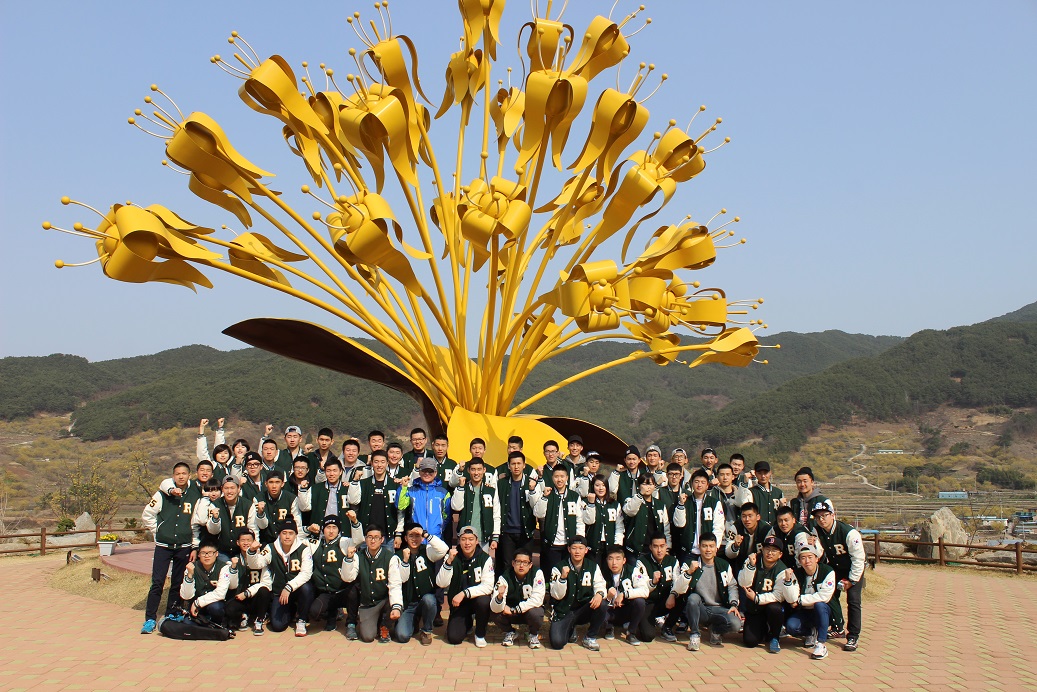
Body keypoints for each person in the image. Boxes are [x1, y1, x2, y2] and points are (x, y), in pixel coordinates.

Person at [140, 462, 201, 634]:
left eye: (184, 473)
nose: (181, 476)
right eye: (177, 474)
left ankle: (171, 613)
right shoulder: (162, 493)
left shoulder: (194, 494)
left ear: (189, 475)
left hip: (184, 546)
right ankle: (150, 618)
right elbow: (148, 514)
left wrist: (194, 545)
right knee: (157, 582)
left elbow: (195, 523)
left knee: (177, 582)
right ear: (173, 476)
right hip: (163, 546)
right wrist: (158, 531)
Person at [810, 501, 866, 651]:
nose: (822, 519)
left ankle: (853, 635)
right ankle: (837, 627)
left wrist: (852, 580)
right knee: (829, 595)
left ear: (832, 515)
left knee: (853, 600)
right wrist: (813, 544)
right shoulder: (817, 531)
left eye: (825, 515)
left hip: (853, 568)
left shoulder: (848, 532)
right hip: (835, 569)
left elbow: (858, 558)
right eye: (818, 517)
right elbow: (820, 553)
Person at [669, 534, 741, 651]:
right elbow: (678, 587)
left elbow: (732, 586)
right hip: (700, 609)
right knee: (693, 598)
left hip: (719, 608)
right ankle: (695, 635)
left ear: (716, 548)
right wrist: (689, 572)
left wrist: (734, 604)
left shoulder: (723, 565)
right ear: (699, 547)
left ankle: (716, 630)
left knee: (736, 624)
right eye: (704, 546)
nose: (708, 550)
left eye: (711, 546)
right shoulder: (691, 564)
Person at [245, 518, 316, 637]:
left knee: (307, 588)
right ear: (279, 534)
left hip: (296, 590)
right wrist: (252, 551)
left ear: (295, 535)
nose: (287, 537)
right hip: (279, 593)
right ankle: (292, 610)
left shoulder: (304, 549)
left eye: (291, 533)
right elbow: (256, 564)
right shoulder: (271, 548)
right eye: (284, 533)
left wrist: (289, 587)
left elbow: (306, 573)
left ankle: (301, 620)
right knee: (277, 626)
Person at [341, 524, 406, 643]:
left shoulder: (390, 557)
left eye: (376, 537)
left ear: (382, 540)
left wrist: (396, 606)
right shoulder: (358, 556)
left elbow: (395, 584)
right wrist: (348, 559)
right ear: (365, 539)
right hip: (368, 603)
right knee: (367, 637)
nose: (373, 540)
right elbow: (347, 578)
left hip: (384, 600)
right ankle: (372, 622)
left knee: (394, 603)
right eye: (369, 537)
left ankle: (385, 626)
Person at [436, 525, 495, 646]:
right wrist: (448, 563)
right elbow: (441, 583)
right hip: (459, 605)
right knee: (454, 638)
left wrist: (464, 593)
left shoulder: (485, 559)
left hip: (476, 600)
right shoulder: (452, 557)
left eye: (470, 539)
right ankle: (467, 623)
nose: (467, 543)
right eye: (463, 539)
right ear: (459, 541)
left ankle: (480, 634)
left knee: (484, 600)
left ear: (476, 541)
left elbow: (488, 587)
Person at [738, 536, 798, 653]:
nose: (770, 553)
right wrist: (751, 566)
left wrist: (757, 598)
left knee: (774, 608)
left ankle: (775, 636)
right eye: (767, 549)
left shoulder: (782, 570)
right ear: (762, 549)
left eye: (774, 550)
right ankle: (763, 630)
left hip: (770, 608)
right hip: (754, 610)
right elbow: (743, 583)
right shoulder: (752, 559)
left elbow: (778, 596)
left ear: (780, 554)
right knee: (750, 641)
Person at [548, 536, 608, 651]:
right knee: (557, 643)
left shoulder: (593, 566)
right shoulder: (558, 568)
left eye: (581, 548)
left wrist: (599, 594)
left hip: (583, 610)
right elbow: (556, 595)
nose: (577, 551)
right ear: (569, 549)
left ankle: (590, 637)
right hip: (564, 611)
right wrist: (563, 578)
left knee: (602, 604)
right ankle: (570, 628)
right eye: (574, 548)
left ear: (586, 550)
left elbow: (600, 584)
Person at [307, 513, 364, 633]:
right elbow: (296, 540)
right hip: (327, 592)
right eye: (328, 527)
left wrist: (354, 521)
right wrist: (307, 529)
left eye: (334, 527)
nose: (331, 531)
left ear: (339, 530)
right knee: (314, 612)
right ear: (323, 530)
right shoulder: (316, 544)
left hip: (344, 591)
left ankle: (351, 623)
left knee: (354, 592)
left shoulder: (344, 542)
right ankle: (331, 615)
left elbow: (358, 539)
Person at [395, 521, 449, 645]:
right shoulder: (398, 556)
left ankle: (426, 630)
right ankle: (414, 621)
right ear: (405, 538)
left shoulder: (428, 551)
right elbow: (402, 579)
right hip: (408, 603)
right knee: (402, 636)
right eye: (411, 536)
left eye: (417, 536)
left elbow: (444, 549)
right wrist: (405, 561)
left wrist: (426, 534)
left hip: (425, 599)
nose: (414, 539)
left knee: (430, 600)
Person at [532, 465, 587, 577]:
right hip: (552, 544)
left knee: (569, 575)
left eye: (562, 476)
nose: (559, 479)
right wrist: (544, 497)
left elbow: (579, 520)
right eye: (556, 476)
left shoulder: (574, 496)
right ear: (552, 478)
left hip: (569, 544)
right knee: (554, 574)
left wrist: (579, 540)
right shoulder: (548, 494)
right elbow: (538, 513)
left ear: (567, 478)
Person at [785, 544, 836, 660]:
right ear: (799, 561)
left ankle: (821, 644)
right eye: (803, 558)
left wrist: (800, 600)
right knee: (791, 627)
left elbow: (824, 596)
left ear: (817, 558)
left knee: (819, 605)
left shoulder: (828, 571)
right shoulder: (796, 573)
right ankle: (810, 632)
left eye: (810, 557)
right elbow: (792, 597)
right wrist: (788, 582)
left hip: (823, 611)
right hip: (804, 611)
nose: (807, 561)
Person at [490, 547, 546, 649]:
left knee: (537, 613)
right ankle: (510, 632)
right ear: (513, 563)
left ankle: (533, 634)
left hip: (527, 611)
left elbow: (538, 599)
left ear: (530, 565)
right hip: (510, 613)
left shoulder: (537, 574)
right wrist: (500, 597)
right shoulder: (505, 577)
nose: (521, 565)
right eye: (518, 562)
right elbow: (494, 606)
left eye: (525, 562)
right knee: (495, 610)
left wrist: (515, 610)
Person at [494, 451, 539, 576]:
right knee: (508, 565)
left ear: (524, 465)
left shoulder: (531, 484)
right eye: (513, 464)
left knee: (526, 564)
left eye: (519, 463)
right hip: (507, 531)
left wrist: (532, 490)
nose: (516, 466)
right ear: (508, 466)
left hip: (526, 531)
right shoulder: (501, 483)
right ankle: (509, 592)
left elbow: (536, 505)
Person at [348, 450, 404, 548]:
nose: (379, 465)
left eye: (382, 462)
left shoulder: (395, 484)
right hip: (366, 536)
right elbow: (353, 501)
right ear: (372, 463)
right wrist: (355, 481)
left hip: (388, 537)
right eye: (376, 462)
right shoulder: (363, 483)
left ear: (387, 463)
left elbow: (400, 511)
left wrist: (398, 534)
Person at [225, 528, 273, 635]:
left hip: (256, 598)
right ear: (237, 542)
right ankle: (243, 616)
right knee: (228, 608)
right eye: (243, 540)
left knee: (264, 591)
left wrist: (247, 593)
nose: (246, 543)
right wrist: (233, 568)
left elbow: (267, 583)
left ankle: (259, 620)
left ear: (254, 542)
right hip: (241, 598)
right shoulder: (234, 560)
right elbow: (232, 585)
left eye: (249, 540)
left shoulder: (261, 559)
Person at [672, 469, 725, 561]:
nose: (699, 485)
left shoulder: (714, 503)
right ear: (692, 484)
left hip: (707, 552)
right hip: (688, 551)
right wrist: (681, 504)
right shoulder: (685, 501)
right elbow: (679, 524)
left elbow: (718, 527)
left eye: (703, 482)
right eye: (696, 482)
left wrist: (714, 547)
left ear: (707, 485)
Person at [601, 545, 650, 646]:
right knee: (599, 606)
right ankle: (608, 627)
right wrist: (608, 596)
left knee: (640, 602)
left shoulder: (633, 571)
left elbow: (645, 591)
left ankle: (631, 633)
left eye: (618, 559)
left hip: (626, 609)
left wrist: (625, 594)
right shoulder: (601, 573)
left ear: (624, 560)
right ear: (606, 560)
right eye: (611, 559)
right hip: (609, 611)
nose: (614, 563)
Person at [450, 457, 500, 553]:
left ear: (484, 470)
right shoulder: (463, 488)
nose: (476, 473)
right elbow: (456, 507)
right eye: (473, 469)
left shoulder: (491, 490)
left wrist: (495, 537)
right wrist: (460, 487)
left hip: (483, 537)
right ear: (468, 470)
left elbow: (496, 514)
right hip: (465, 538)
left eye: (479, 469)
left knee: (482, 566)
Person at [179, 538, 233, 627]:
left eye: (210, 553)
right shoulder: (192, 567)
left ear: (216, 554)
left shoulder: (224, 567)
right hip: (197, 607)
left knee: (216, 608)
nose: (207, 556)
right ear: (199, 555)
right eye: (203, 553)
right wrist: (189, 576)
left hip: (213, 604)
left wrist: (198, 602)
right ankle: (205, 625)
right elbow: (186, 596)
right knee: (188, 623)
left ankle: (216, 624)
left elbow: (220, 593)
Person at [204, 475, 259, 559]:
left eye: (232, 488)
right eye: (226, 488)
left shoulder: (248, 505)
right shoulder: (215, 505)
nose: (229, 491)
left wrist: (255, 548)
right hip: (222, 551)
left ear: (238, 488)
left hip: (242, 551)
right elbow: (213, 531)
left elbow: (253, 528)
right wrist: (215, 519)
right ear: (222, 489)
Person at [639, 532, 681, 642]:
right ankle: (642, 622)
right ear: (650, 547)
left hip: (666, 601)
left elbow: (677, 582)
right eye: (656, 546)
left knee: (682, 594)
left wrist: (673, 594)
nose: (659, 550)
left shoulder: (673, 561)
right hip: (649, 603)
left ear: (666, 546)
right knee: (647, 636)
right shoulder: (642, 562)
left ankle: (667, 627)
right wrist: (652, 582)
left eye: (662, 546)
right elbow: (641, 587)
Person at [397, 458, 451, 541]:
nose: (427, 474)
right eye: (424, 471)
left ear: (435, 473)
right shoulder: (411, 491)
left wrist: (439, 529)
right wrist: (403, 487)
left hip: (436, 539)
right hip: (416, 539)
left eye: (430, 471)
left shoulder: (443, 493)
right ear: (419, 471)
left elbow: (446, 516)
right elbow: (401, 506)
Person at [622, 474, 671, 558]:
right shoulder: (631, 500)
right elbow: (630, 511)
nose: (647, 487)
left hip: (655, 550)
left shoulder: (660, 505)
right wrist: (640, 495)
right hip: (635, 550)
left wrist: (667, 548)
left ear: (654, 486)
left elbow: (666, 528)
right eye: (644, 484)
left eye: (650, 484)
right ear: (639, 485)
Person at [583, 474, 624, 570]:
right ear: (592, 487)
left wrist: (617, 544)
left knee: (608, 572)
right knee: (595, 571)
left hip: (610, 545)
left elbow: (619, 526)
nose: (600, 488)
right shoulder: (585, 503)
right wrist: (591, 504)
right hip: (593, 546)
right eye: (597, 485)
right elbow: (589, 521)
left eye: (603, 485)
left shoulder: (614, 504)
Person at [255, 472, 303, 545]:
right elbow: (262, 526)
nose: (274, 486)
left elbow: (297, 524)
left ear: (282, 484)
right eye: (271, 482)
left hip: (286, 541)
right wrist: (260, 513)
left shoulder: (291, 499)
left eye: (277, 482)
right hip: (266, 541)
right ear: (266, 484)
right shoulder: (258, 499)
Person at [725, 502, 772, 576]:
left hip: (761, 566)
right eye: (744, 516)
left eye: (750, 516)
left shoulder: (767, 529)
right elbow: (728, 554)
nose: (747, 519)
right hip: (740, 566)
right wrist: (735, 546)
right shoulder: (735, 528)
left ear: (758, 517)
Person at [749, 461, 784, 527]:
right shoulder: (751, 492)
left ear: (770, 473)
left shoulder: (778, 492)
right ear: (755, 474)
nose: (763, 476)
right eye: (760, 473)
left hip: (776, 530)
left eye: (765, 473)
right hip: (758, 529)